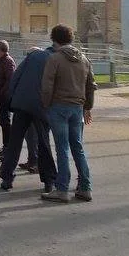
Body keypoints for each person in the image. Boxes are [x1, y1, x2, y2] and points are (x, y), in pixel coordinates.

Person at [41, 24, 96, 203]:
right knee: (78, 147)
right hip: (77, 107)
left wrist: (46, 105)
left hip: (58, 106)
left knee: (62, 148)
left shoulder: (55, 58)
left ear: (54, 39)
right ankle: (85, 187)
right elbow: (90, 86)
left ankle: (62, 189)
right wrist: (88, 107)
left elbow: (47, 86)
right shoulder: (84, 59)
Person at [0, 46, 58, 193]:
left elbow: (15, 77)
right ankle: (48, 180)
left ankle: (7, 178)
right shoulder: (56, 59)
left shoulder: (33, 57)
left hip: (22, 104)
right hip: (42, 105)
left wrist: (12, 100)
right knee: (43, 143)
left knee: (15, 141)